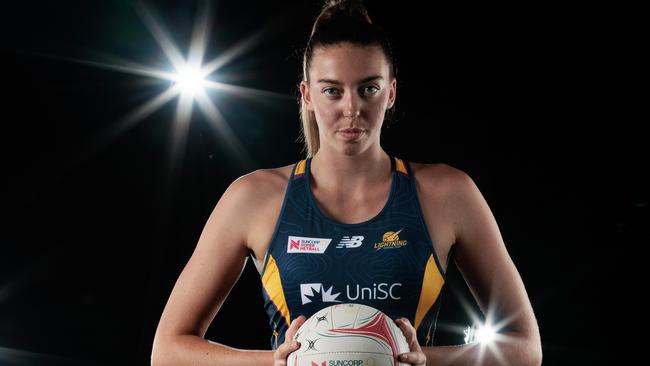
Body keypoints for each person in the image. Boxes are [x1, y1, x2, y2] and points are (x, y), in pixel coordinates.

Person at [151, 1, 542, 365]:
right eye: (332, 91)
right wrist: (279, 362)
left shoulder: (446, 193)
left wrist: (416, 359)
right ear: (307, 95)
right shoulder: (254, 198)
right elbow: (167, 350)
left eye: (368, 88)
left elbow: (525, 347)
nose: (351, 108)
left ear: (390, 93)